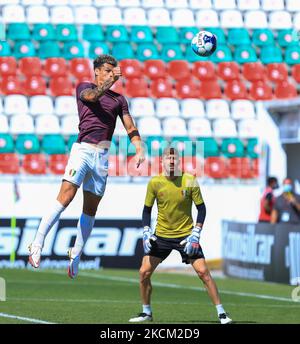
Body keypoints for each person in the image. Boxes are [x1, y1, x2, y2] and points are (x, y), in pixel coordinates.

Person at [28, 54, 145, 278]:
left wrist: (139, 148)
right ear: (98, 71)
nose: (112, 74)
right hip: (82, 150)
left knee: (90, 208)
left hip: (101, 156)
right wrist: (111, 81)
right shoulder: (84, 87)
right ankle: (37, 243)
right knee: (66, 196)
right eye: (108, 70)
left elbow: (130, 127)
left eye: (114, 70)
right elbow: (92, 97)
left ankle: (77, 253)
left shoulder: (119, 100)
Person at [129, 147, 232, 324]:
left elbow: (202, 208)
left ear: (178, 161)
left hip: (185, 236)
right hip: (161, 236)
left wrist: (196, 233)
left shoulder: (190, 180)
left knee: (203, 272)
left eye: (174, 159)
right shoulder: (155, 182)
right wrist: (146, 232)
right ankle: (146, 312)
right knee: (143, 272)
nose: (171, 161)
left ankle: (222, 313)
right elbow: (146, 210)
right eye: (168, 159)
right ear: (162, 161)